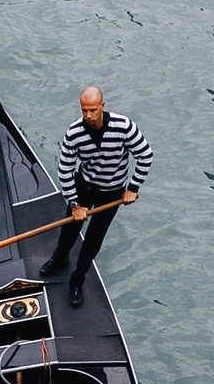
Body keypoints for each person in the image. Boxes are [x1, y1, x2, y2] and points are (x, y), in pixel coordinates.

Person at [39, 87, 153, 304]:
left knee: (93, 239)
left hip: (112, 193)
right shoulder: (74, 132)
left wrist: (133, 188)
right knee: (70, 228)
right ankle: (60, 259)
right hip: (85, 186)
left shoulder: (124, 126)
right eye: (84, 111)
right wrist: (75, 204)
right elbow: (65, 169)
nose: (88, 116)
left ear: (102, 106)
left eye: (92, 110)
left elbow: (145, 155)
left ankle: (77, 280)